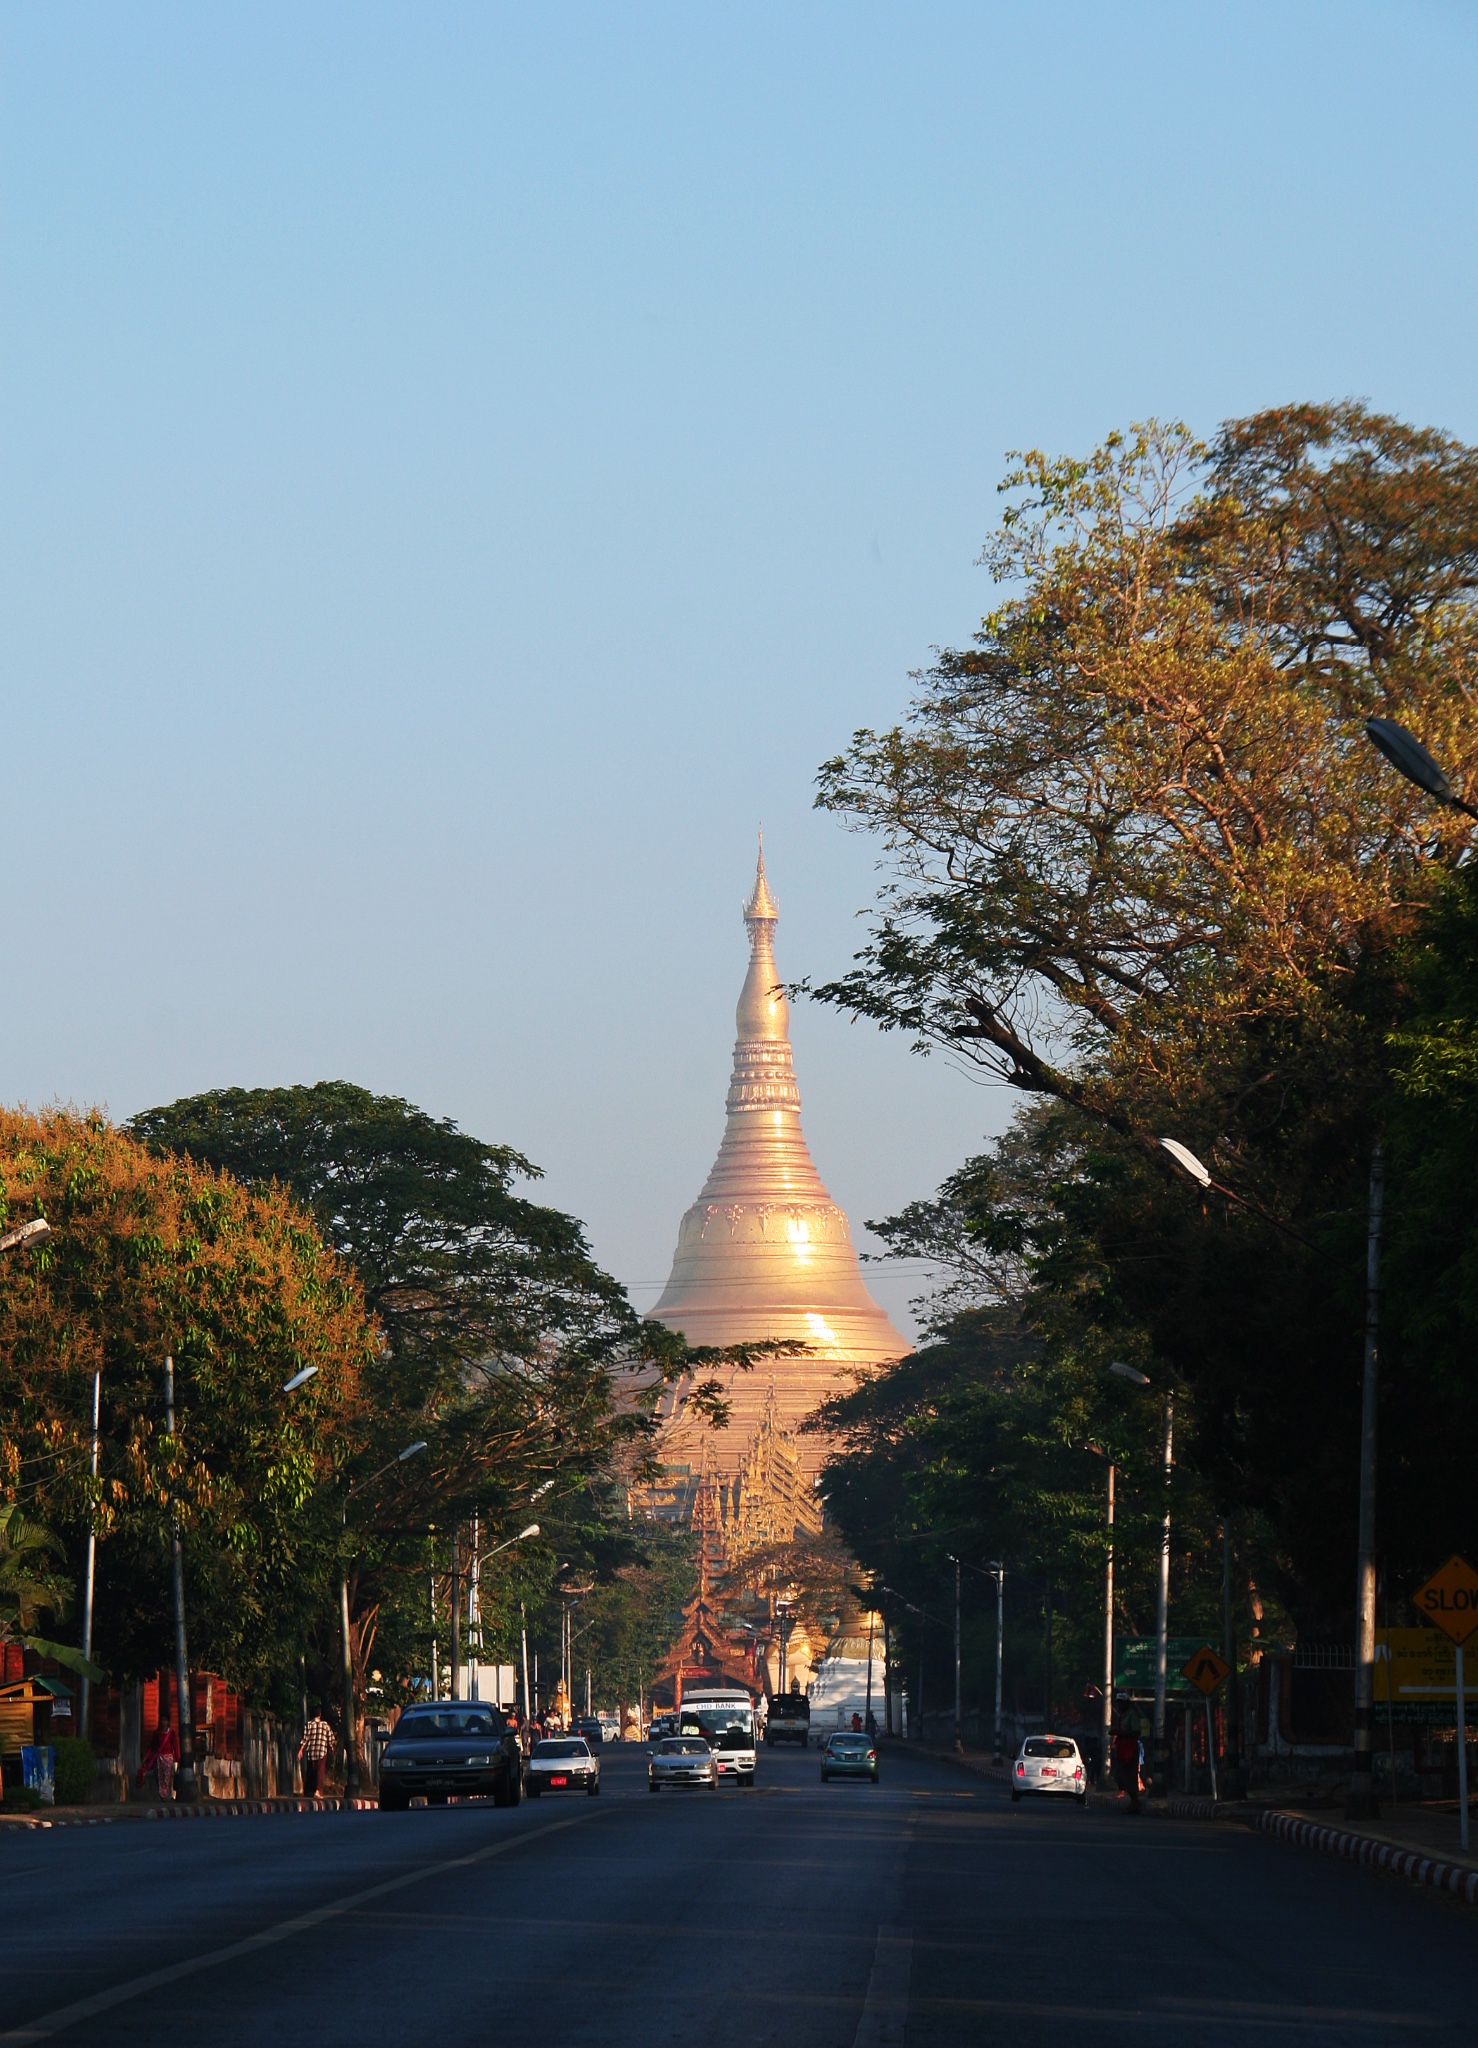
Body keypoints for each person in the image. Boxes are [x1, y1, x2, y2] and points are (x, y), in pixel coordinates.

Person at [1112, 1704, 1144, 1814]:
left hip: (1130, 1750)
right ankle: (1133, 1801)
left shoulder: (1132, 1715)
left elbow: (1136, 1731)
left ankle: (1135, 1802)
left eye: (1121, 1702)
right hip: (1123, 1750)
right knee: (1120, 1776)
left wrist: (1121, 1733)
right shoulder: (1123, 1716)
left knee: (1129, 1777)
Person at [298, 1708, 335, 1799]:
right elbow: (331, 1738)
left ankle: (309, 1791)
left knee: (310, 1771)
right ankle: (317, 1791)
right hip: (321, 1751)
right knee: (320, 1771)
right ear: (320, 1715)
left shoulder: (309, 1725)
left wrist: (301, 1750)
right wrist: (331, 1746)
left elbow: (305, 1739)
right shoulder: (325, 1725)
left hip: (311, 1752)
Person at [138, 1721, 179, 1800]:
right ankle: (162, 1795)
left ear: (168, 1722)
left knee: (167, 1776)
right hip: (159, 1758)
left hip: (168, 1757)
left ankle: (167, 1794)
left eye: (165, 1721)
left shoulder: (171, 1733)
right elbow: (152, 1746)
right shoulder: (157, 1733)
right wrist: (146, 1756)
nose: (164, 1723)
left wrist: (178, 1759)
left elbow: (175, 1746)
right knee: (160, 1776)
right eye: (162, 1721)